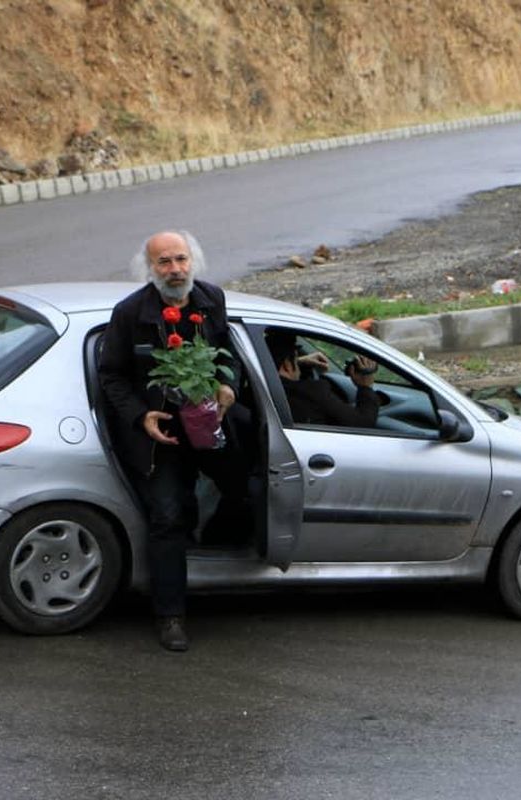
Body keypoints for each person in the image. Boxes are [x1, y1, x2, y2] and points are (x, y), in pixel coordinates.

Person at [98, 230, 243, 653]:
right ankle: (170, 615)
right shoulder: (130, 313)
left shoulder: (211, 299)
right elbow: (111, 375)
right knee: (166, 518)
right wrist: (140, 416)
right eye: (164, 262)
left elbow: (226, 352)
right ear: (150, 269)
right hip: (160, 436)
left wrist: (228, 386)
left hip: (207, 425)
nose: (175, 270)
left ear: (192, 261)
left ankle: (221, 549)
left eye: (180, 259)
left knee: (246, 483)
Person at [266, 330, 380, 428]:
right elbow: (363, 423)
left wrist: (298, 362)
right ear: (286, 365)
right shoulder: (312, 392)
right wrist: (366, 387)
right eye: (295, 358)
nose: (297, 363)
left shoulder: (256, 389)